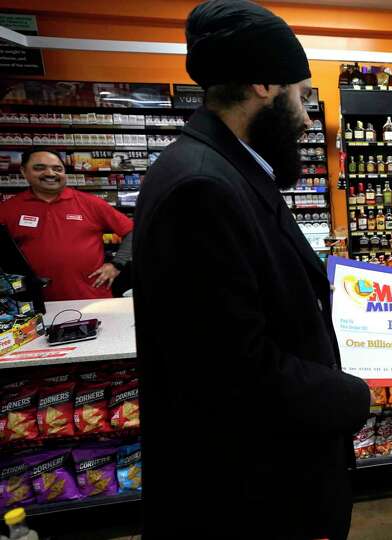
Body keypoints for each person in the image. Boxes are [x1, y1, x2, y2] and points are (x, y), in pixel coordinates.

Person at [132, 1, 370, 538]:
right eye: (303, 96)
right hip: (248, 498)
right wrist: (353, 392)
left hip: (264, 481)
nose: (309, 117)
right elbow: (232, 372)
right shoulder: (201, 187)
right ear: (264, 83)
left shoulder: (228, 169)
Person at [0, 148, 133, 301]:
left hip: (92, 297)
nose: (50, 173)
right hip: (34, 303)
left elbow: (132, 230)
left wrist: (117, 264)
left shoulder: (90, 203)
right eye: (39, 168)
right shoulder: (8, 209)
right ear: (24, 172)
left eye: (57, 169)